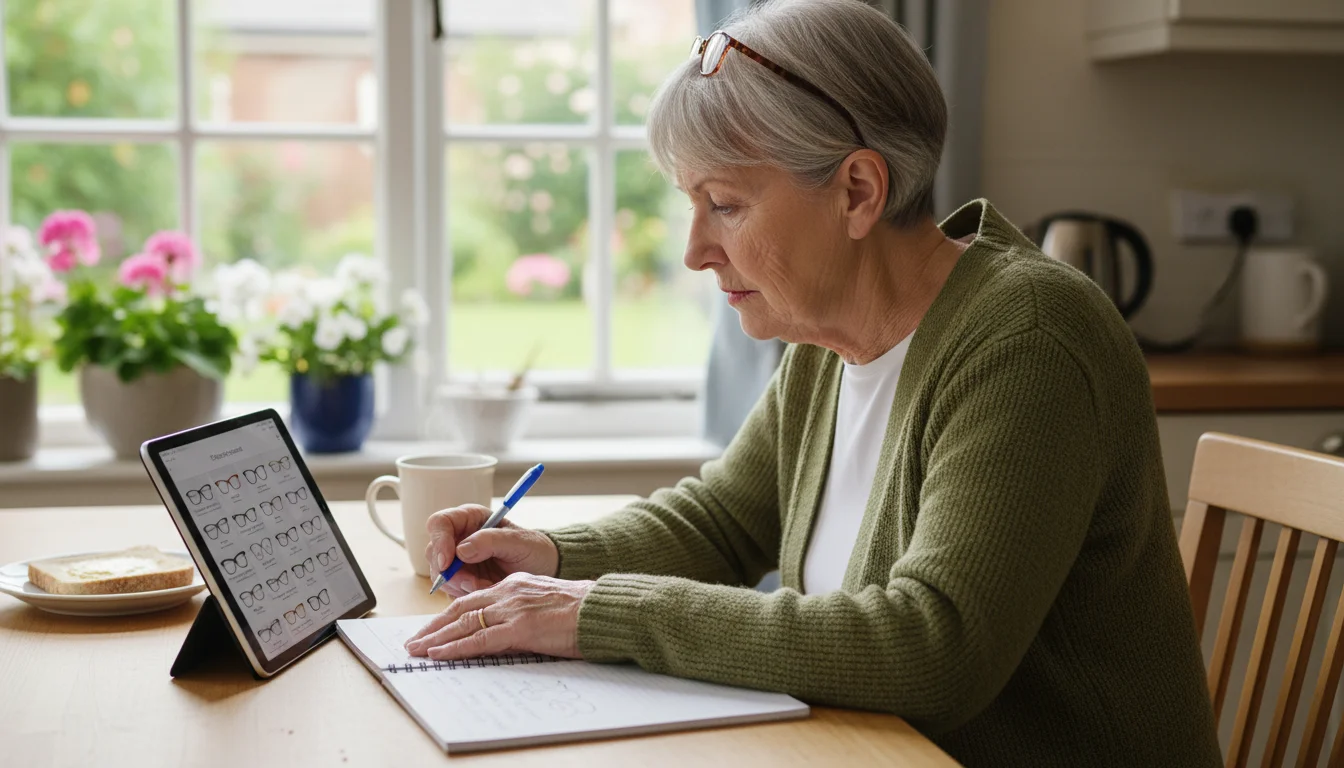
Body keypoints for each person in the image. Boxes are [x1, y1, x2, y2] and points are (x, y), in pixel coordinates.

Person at [405, 0, 1222, 764]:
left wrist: (597, 613)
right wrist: (547, 557)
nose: (694, 250)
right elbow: (726, 521)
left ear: (858, 191)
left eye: (724, 204)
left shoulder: (1029, 339)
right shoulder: (828, 338)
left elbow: (933, 646)